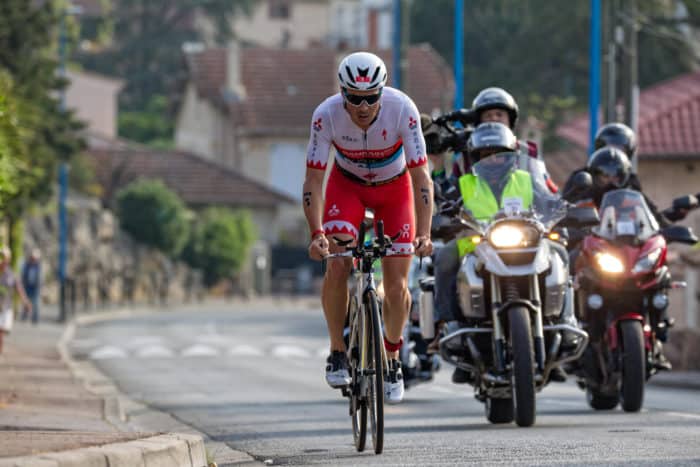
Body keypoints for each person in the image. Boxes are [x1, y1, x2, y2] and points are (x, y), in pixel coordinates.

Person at [303, 51, 433, 404]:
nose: (363, 106)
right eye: (354, 98)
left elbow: (421, 177)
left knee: (396, 284)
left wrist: (424, 233)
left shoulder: (403, 109)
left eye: (371, 97)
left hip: (395, 192)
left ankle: (392, 357)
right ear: (342, 93)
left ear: (383, 91)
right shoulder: (325, 116)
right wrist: (317, 234)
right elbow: (314, 180)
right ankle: (337, 350)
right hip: (347, 188)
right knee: (337, 261)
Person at [429, 122, 571, 383]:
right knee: (445, 256)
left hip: (525, 242)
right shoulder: (465, 183)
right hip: (478, 243)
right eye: (485, 156)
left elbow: (549, 202)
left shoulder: (526, 180)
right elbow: (446, 203)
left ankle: (565, 323)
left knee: (560, 254)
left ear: (511, 156)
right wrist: (443, 217)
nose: (492, 161)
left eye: (500, 155)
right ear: (475, 158)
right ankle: (451, 325)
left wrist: (562, 210)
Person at [429, 86, 559, 196]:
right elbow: (447, 197)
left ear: (510, 119)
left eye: (499, 114)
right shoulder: (466, 156)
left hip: (524, 223)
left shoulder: (527, 151)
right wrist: (438, 165)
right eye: (488, 115)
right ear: (479, 122)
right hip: (477, 225)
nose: (494, 119)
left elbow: (547, 190)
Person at [0, 247, 32, 354]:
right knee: (0, 332)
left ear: (8, 259)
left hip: (7, 307)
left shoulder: (11, 274)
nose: (2, 259)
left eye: (4, 257)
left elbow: (19, 288)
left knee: (4, 331)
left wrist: (25, 302)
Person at [21, 248, 42, 325]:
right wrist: (23, 283)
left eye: (35, 258)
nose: (33, 259)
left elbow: (40, 277)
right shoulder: (27, 265)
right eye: (32, 258)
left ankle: (35, 319)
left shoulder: (38, 266)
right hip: (28, 286)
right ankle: (24, 316)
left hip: (35, 287)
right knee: (26, 302)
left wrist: (39, 286)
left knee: (36, 303)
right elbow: (23, 275)